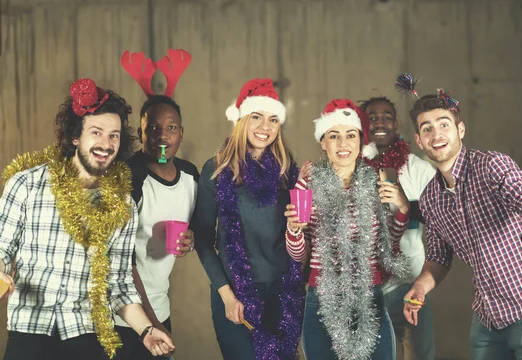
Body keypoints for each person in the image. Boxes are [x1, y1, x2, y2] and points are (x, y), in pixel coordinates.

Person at [0, 78, 174, 360]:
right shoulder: (27, 184)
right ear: (75, 136)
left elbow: (118, 284)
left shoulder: (122, 206)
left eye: (114, 135)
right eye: (97, 132)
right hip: (28, 329)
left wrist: (146, 330)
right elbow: (2, 248)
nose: (106, 144)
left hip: (85, 332)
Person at [403, 90, 522, 360]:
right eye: (427, 128)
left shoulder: (491, 165)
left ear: (460, 129)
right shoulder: (430, 197)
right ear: (419, 140)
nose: (437, 134)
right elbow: (438, 258)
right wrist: (420, 286)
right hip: (488, 314)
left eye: (444, 124)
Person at [285, 99, 410, 360]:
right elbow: (299, 256)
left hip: (369, 294)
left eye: (350, 135)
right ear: (323, 141)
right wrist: (294, 230)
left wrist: (402, 209)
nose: (343, 144)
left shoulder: (376, 180)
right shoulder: (307, 184)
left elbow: (389, 245)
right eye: (334, 135)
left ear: (360, 141)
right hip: (322, 296)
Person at [193, 79, 305, 359]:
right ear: (242, 119)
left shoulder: (287, 169)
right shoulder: (216, 169)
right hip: (235, 292)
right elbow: (204, 239)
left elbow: (301, 232)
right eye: (256, 117)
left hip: (283, 291)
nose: (265, 127)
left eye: (273, 120)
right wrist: (227, 295)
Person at [114, 49, 197, 359]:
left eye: (171, 127)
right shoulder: (129, 177)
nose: (162, 136)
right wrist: (151, 323)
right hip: (124, 315)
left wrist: (191, 239)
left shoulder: (190, 176)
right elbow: (122, 261)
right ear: (140, 133)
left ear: (181, 133)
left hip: (159, 306)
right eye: (152, 128)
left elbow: (198, 229)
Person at [359, 95, 436, 360]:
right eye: (372, 118)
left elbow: (442, 217)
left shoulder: (420, 170)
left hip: (410, 283)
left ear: (397, 123)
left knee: (419, 355)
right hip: (365, 287)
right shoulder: (350, 169)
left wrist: (406, 205)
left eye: (387, 117)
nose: (380, 123)